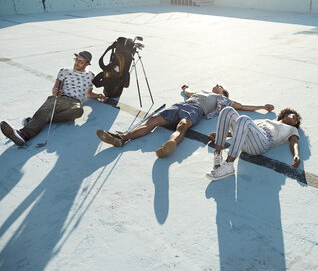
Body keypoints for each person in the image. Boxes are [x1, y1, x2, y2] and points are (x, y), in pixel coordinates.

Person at [96, 84, 274, 158]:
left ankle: (170, 145)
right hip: (180, 105)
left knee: (183, 126)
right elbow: (188, 93)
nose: (216, 84)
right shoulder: (201, 91)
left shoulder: (223, 99)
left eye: (220, 85)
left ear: (223, 91)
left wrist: (262, 107)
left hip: (195, 110)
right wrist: (185, 88)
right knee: (153, 121)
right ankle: (122, 138)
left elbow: (242, 106)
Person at [1, 51, 107, 146]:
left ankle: (33, 121)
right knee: (52, 103)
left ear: (87, 64)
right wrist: (57, 90)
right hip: (62, 98)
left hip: (76, 104)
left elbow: (88, 93)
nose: (76, 63)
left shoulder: (90, 75)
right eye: (76, 60)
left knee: (79, 111)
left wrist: (98, 96)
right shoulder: (65, 71)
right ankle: (23, 135)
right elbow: (56, 86)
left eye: (81, 62)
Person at [206, 106, 302, 181]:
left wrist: (296, 154)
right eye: (295, 116)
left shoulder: (292, 129)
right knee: (227, 110)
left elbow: (294, 142)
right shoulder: (267, 121)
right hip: (246, 141)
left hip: (262, 142)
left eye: (297, 120)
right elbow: (244, 129)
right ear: (286, 115)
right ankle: (217, 156)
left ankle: (229, 165)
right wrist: (223, 134)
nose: (296, 118)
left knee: (244, 119)